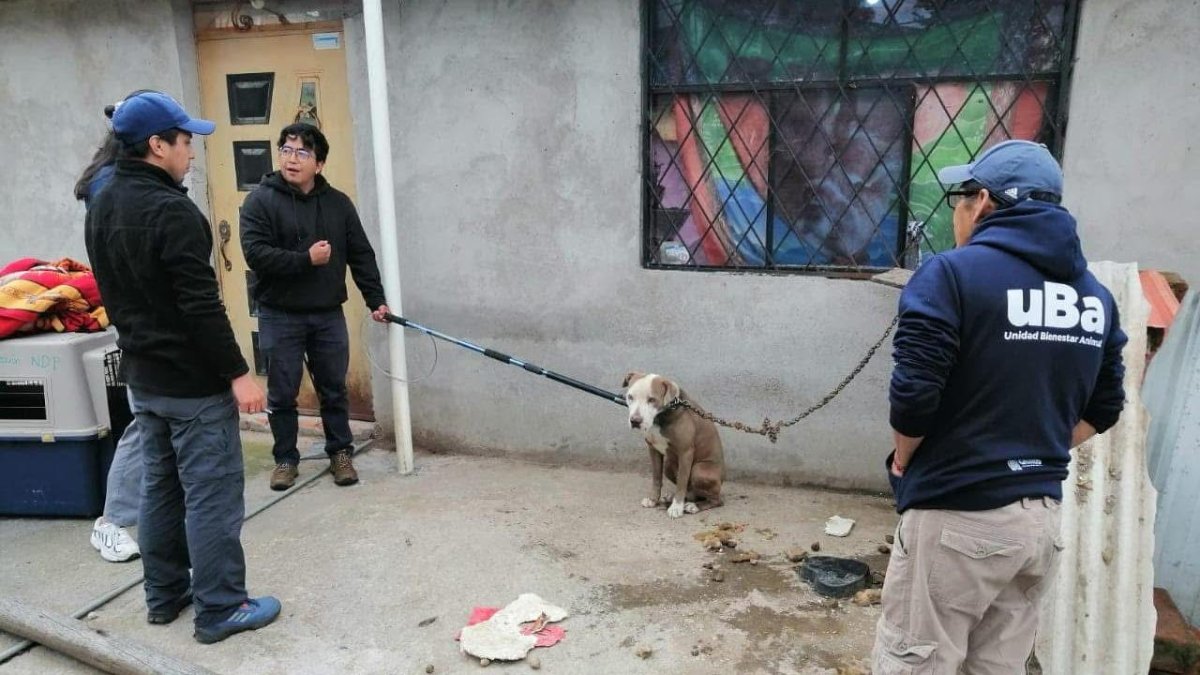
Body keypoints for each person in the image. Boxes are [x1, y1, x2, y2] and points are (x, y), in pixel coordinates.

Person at [873, 140, 1128, 673]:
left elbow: (915, 396)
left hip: (958, 514)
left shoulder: (952, 274)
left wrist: (902, 460)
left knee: (916, 659)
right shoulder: (1095, 298)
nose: (956, 213)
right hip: (1038, 525)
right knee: (996, 666)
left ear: (983, 201)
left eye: (958, 198)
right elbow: (1105, 406)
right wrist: (1034, 448)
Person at [84, 91, 281, 644]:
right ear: (157, 145)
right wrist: (239, 374)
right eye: (185, 139)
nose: (192, 149)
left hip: (143, 379)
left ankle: (164, 595)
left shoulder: (103, 201)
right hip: (193, 386)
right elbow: (200, 306)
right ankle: (220, 607)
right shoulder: (172, 211)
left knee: (161, 490)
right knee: (212, 495)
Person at [240, 122, 389, 492]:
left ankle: (340, 453)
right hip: (280, 313)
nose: (292, 159)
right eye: (286, 151)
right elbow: (256, 255)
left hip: (326, 314)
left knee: (333, 388)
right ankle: (286, 459)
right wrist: (305, 259)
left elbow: (360, 254)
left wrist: (376, 300)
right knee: (283, 392)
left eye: (302, 153)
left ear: (319, 163)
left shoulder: (338, 204)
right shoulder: (260, 200)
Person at [76, 90, 154, 563]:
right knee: (143, 425)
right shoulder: (112, 189)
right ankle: (114, 521)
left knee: (151, 425)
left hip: (142, 324)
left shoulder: (117, 183)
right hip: (142, 327)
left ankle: (138, 511)